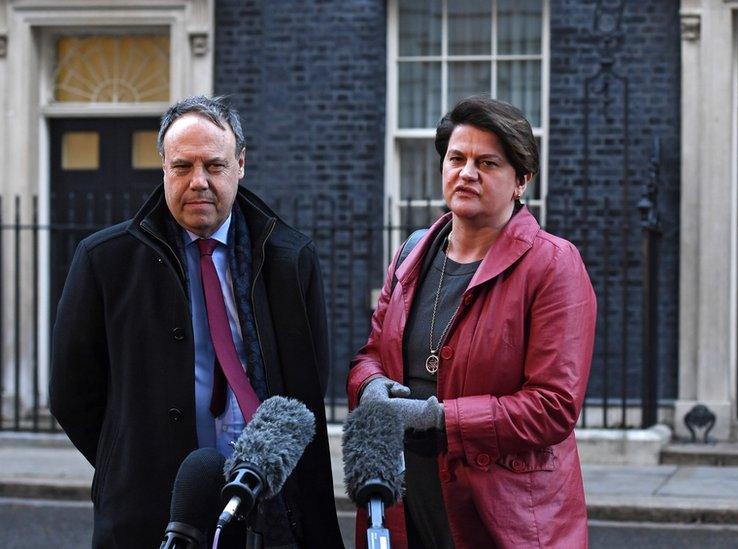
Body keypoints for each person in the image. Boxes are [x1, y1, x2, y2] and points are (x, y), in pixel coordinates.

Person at [50, 95, 345, 548]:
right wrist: (127, 462)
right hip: (153, 506)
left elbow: (306, 387)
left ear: (240, 165)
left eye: (215, 165)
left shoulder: (290, 259)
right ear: (163, 168)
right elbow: (72, 393)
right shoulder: (104, 261)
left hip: (266, 502)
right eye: (183, 166)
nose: (199, 182)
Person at [347, 96, 597, 548]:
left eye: (487, 163)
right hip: (405, 503)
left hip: (505, 517)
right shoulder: (410, 255)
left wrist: (437, 419)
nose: (466, 173)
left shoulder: (553, 264)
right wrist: (369, 387)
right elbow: (371, 355)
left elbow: (553, 406)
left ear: (521, 180)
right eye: (456, 158)